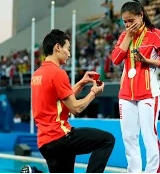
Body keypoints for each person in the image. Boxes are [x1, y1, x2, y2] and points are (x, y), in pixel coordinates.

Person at [20, 29, 115, 174]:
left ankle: (33, 172)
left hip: (45, 143)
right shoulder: (58, 73)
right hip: (60, 136)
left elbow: (61, 99)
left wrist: (82, 82)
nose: (69, 53)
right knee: (107, 140)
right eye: (68, 49)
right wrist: (93, 93)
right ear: (57, 47)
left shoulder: (37, 74)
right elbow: (75, 108)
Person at [111, 0, 160, 173]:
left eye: (131, 20)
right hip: (125, 94)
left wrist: (147, 61)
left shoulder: (156, 34)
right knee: (129, 138)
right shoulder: (124, 36)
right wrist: (129, 37)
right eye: (125, 22)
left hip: (148, 93)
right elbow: (115, 59)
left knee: (149, 137)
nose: (128, 24)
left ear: (141, 15)